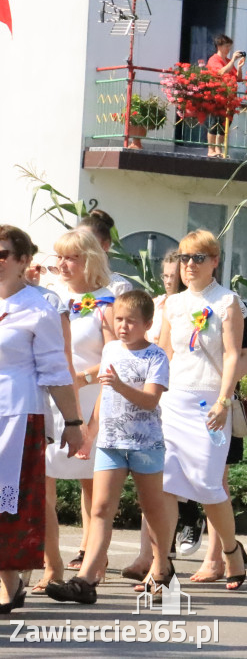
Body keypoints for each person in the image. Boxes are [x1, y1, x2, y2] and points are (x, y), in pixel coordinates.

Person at [45, 291, 172, 604]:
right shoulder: (112, 349)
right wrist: (90, 431)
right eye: (119, 320)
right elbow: (104, 395)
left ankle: (161, 568)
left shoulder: (156, 356)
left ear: (148, 324)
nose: (124, 327)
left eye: (131, 321)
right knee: (101, 508)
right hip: (111, 443)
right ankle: (86, 580)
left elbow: (150, 399)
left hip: (144, 444)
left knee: (153, 509)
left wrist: (119, 386)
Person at [0, 225, 84, 614]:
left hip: (19, 415)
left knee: (10, 503)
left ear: (22, 261)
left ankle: (10, 581)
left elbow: (55, 369)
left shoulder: (39, 307)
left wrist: (72, 422)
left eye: (3, 253)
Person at [158, 230, 247, 590]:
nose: (189, 265)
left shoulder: (227, 302)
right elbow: (164, 353)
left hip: (209, 403)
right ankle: (161, 564)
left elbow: (232, 355)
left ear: (214, 261)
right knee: (164, 485)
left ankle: (230, 551)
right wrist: (153, 398)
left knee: (209, 486)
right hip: (172, 402)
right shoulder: (173, 304)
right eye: (183, 258)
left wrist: (225, 400)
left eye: (198, 258)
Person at [47, 230, 116, 575]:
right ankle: (50, 564)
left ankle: (93, 557)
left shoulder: (107, 300)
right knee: (45, 481)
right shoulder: (46, 297)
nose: (62, 264)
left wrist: (84, 378)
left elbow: (117, 357)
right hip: (49, 398)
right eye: (58, 256)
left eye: (70, 257)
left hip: (93, 398)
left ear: (89, 259)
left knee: (92, 481)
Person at [205, 33, 245, 158]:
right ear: (219, 46)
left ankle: (218, 149)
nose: (228, 49)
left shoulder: (228, 61)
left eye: (229, 46)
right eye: (227, 46)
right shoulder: (214, 59)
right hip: (217, 96)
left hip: (229, 98)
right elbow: (221, 72)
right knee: (214, 122)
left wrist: (239, 67)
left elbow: (238, 78)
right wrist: (233, 60)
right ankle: (211, 150)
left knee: (223, 124)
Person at [76, 211, 133, 297]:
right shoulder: (60, 283)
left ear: (105, 246)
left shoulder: (119, 287)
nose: (79, 246)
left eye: (88, 241)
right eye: (76, 239)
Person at [148, 250, 185, 343]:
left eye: (173, 276)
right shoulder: (155, 304)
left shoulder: (188, 305)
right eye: (165, 276)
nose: (168, 281)